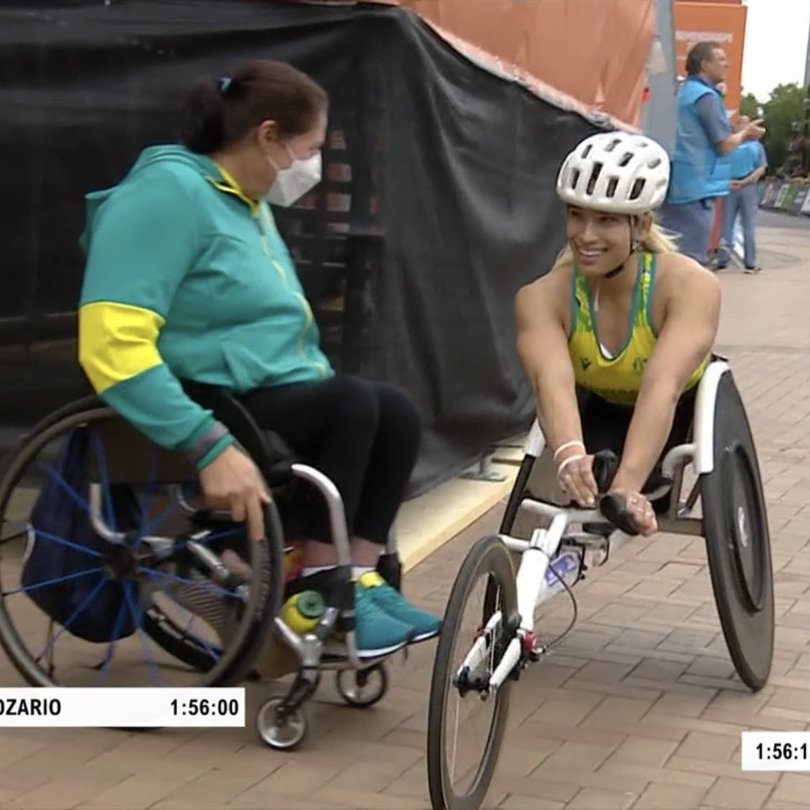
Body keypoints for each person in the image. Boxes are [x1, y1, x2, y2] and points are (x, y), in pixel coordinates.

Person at [77, 59, 440, 658]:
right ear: (267, 135)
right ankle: (317, 591)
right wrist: (206, 442)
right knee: (351, 404)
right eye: (311, 147)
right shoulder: (168, 194)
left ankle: (357, 578)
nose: (315, 164)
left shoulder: (247, 203)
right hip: (202, 396)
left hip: (266, 391)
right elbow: (109, 341)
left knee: (393, 410)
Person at [515, 131, 721, 536]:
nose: (586, 235)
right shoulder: (541, 297)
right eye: (576, 214)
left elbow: (663, 385)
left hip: (675, 407)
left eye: (606, 220)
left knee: (618, 488)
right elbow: (551, 381)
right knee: (586, 481)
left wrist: (628, 488)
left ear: (641, 225)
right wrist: (570, 454)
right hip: (602, 404)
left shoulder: (688, 286)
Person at [661, 41, 765, 266]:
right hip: (696, 190)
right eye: (720, 60)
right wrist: (746, 133)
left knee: (669, 258)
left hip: (678, 184)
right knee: (689, 264)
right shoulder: (705, 97)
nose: (726, 65)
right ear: (704, 64)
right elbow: (724, 145)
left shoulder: (684, 91)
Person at [715, 115, 768, 274]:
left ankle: (749, 262)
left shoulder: (756, 146)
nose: (741, 125)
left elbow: (761, 168)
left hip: (748, 187)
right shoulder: (731, 143)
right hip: (732, 185)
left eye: (744, 123)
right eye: (739, 123)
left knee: (747, 225)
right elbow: (721, 162)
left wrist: (745, 181)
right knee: (727, 224)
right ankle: (723, 259)